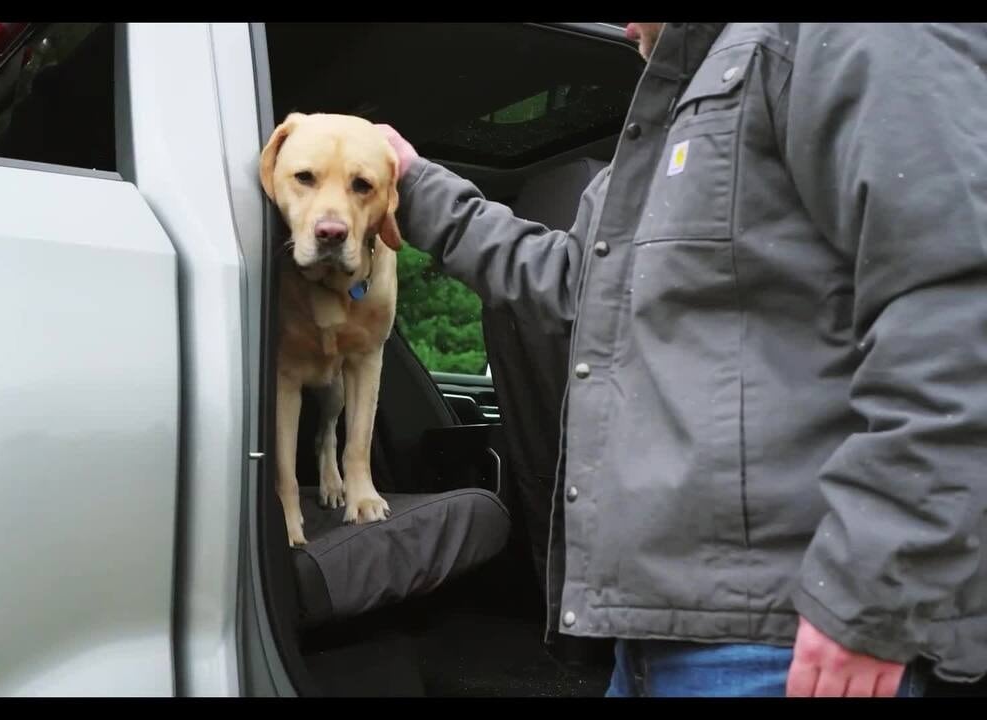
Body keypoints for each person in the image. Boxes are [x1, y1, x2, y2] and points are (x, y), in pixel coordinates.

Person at [377, 22, 987, 697]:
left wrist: (874, 593)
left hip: (791, 645)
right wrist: (414, 184)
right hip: (660, 638)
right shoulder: (672, 114)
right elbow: (572, 280)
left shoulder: (844, 36)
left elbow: (953, 312)